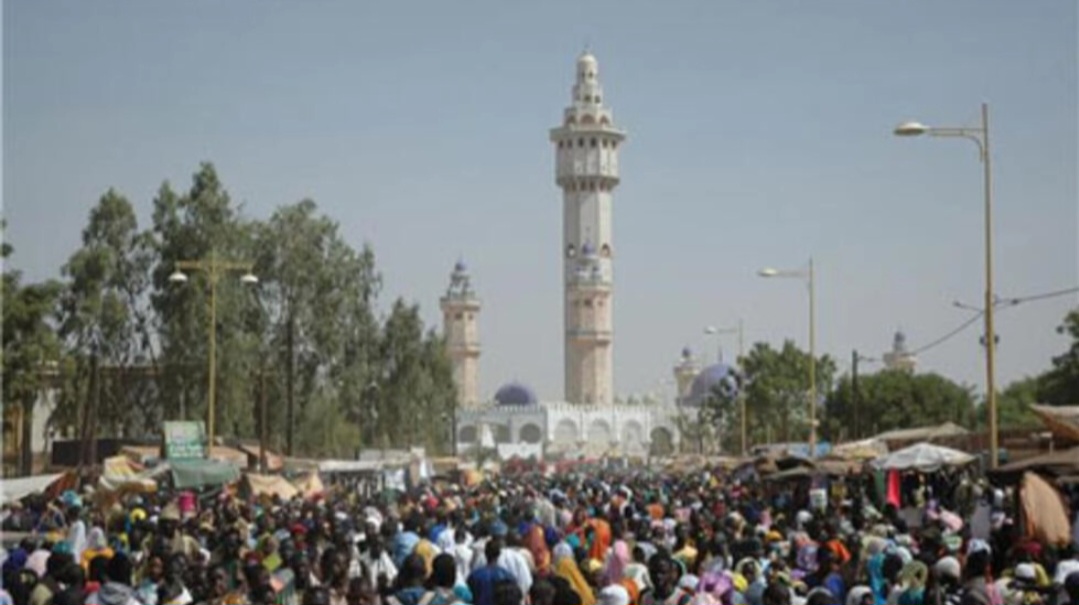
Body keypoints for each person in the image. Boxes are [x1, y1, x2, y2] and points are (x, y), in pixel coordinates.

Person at [469, 540, 515, 605]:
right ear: (499, 554)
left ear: (485, 553)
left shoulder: (474, 576)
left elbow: (469, 598)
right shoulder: (508, 576)